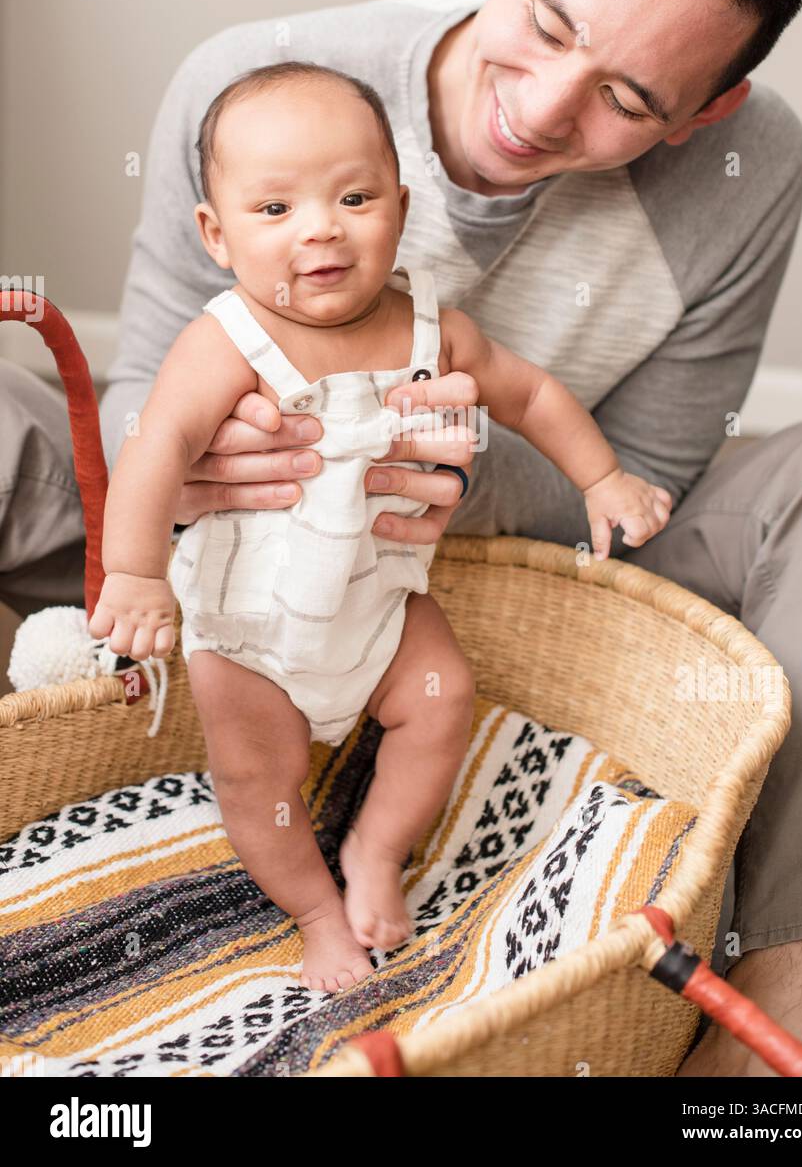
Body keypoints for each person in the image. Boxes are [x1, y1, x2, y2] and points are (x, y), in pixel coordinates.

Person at [3, 0, 802, 1069]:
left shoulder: (754, 162)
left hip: (501, 553)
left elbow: (650, 470)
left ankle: (786, 1013)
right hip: (229, 540)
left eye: (630, 98)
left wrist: (447, 475)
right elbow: (142, 393)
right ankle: (74, 682)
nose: (542, 111)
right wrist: (202, 459)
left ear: (706, 108)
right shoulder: (259, 77)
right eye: (552, 25)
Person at [87, 61, 671, 989]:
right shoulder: (227, 342)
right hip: (252, 629)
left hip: (380, 608)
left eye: (353, 196)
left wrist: (601, 478)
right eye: (274, 210)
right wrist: (137, 574)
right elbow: (157, 448)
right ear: (218, 234)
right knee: (255, 781)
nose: (321, 226)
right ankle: (318, 914)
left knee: (441, 699)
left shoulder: (433, 329)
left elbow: (529, 392)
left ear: (399, 207)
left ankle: (374, 852)